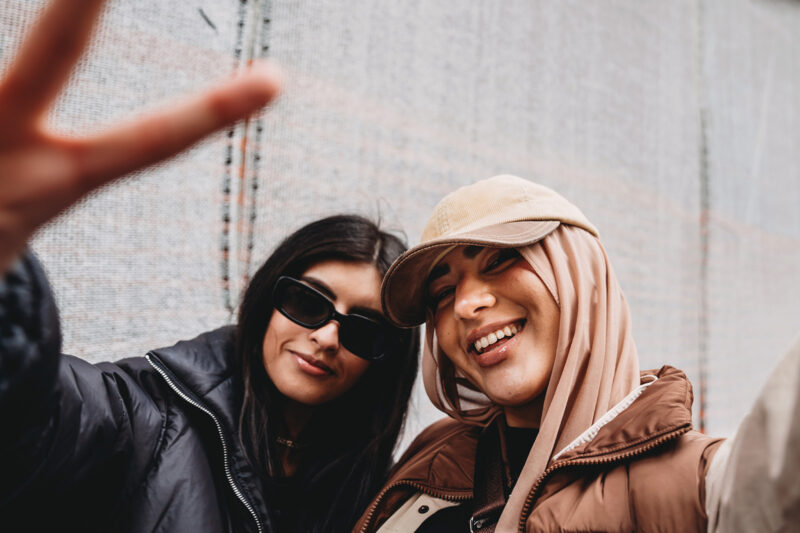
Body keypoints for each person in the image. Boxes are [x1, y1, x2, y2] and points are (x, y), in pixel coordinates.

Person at [0, 2, 420, 532]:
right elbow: (28, 419)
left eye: (363, 330)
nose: (328, 337)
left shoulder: (381, 495)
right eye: (307, 302)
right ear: (267, 298)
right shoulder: (149, 415)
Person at [354, 174, 769, 532]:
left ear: (580, 275)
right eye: (442, 292)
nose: (465, 304)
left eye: (499, 259)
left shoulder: (699, 480)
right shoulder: (436, 452)